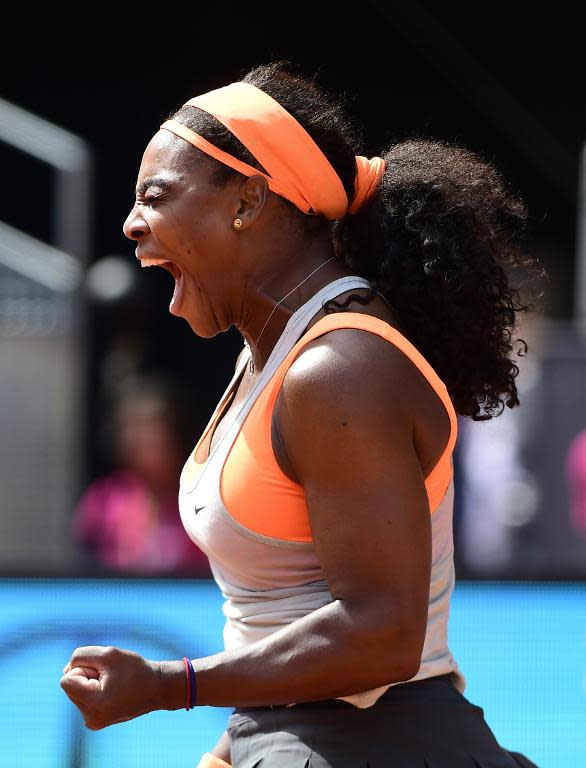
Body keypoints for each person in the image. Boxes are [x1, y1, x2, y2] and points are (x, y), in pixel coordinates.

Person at [60, 61, 540, 767]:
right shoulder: (275, 353)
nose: (132, 225)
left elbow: (382, 632)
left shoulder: (338, 370)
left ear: (247, 201)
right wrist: (229, 749)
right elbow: (281, 619)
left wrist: (174, 685)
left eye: (155, 197)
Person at [71, 374, 211, 576]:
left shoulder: (199, 501)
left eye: (155, 429)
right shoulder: (103, 500)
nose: (147, 441)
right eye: (137, 430)